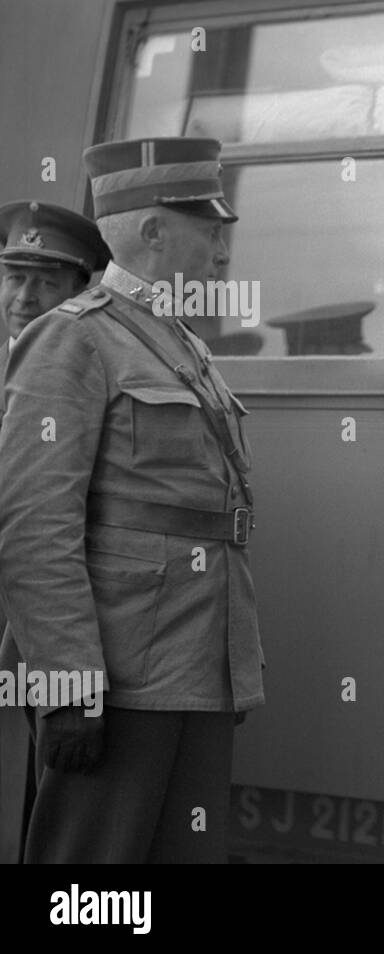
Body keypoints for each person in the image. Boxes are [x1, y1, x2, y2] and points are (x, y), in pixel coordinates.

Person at [0, 137, 263, 863]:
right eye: (208, 229)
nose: (220, 250)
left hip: (192, 660)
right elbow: (33, 526)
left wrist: (232, 663)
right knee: (93, 877)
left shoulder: (180, 344)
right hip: (117, 672)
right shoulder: (72, 340)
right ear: (153, 232)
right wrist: (66, 682)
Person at [0, 200, 111, 865]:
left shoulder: (80, 368)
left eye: (46, 279)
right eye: (14, 275)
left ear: (81, 288)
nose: (24, 294)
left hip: (35, 637)